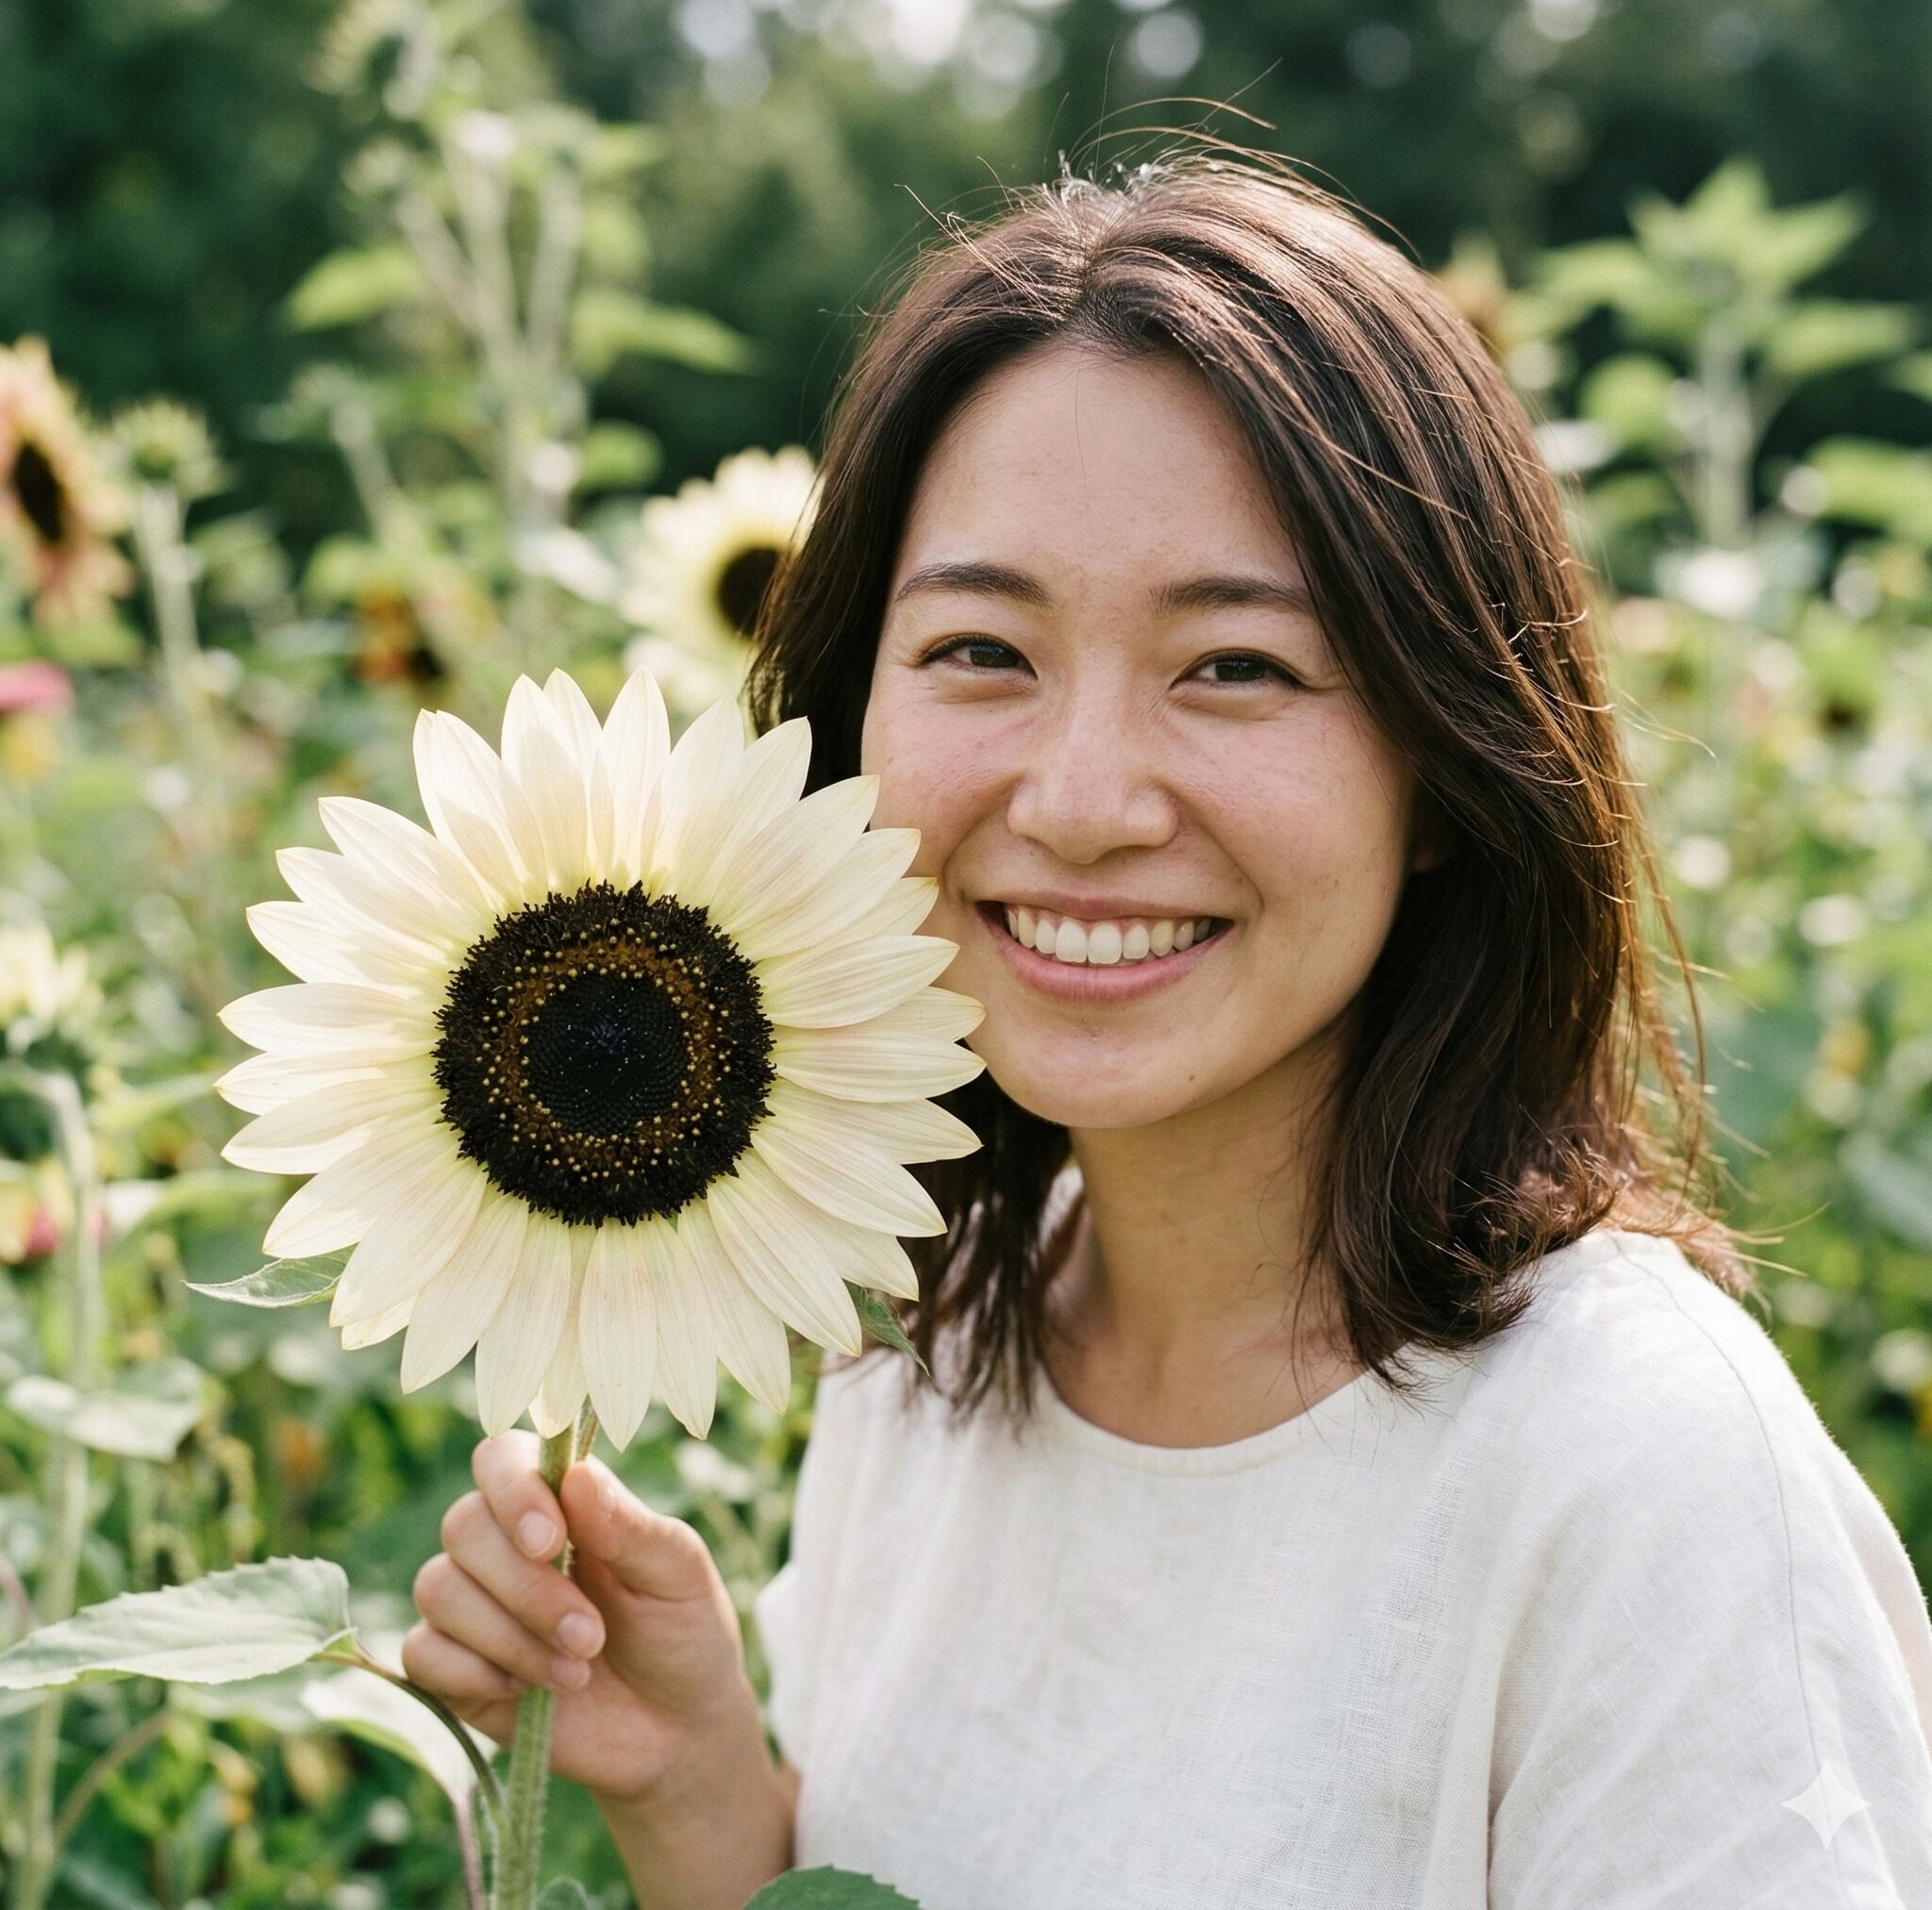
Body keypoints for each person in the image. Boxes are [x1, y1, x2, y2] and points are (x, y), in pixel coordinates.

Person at [401, 151, 1932, 1908]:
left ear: (1442, 763)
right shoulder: (930, 1353)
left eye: (1235, 669)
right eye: (982, 649)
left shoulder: (1637, 1473)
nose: (1080, 800)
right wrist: (696, 1789)